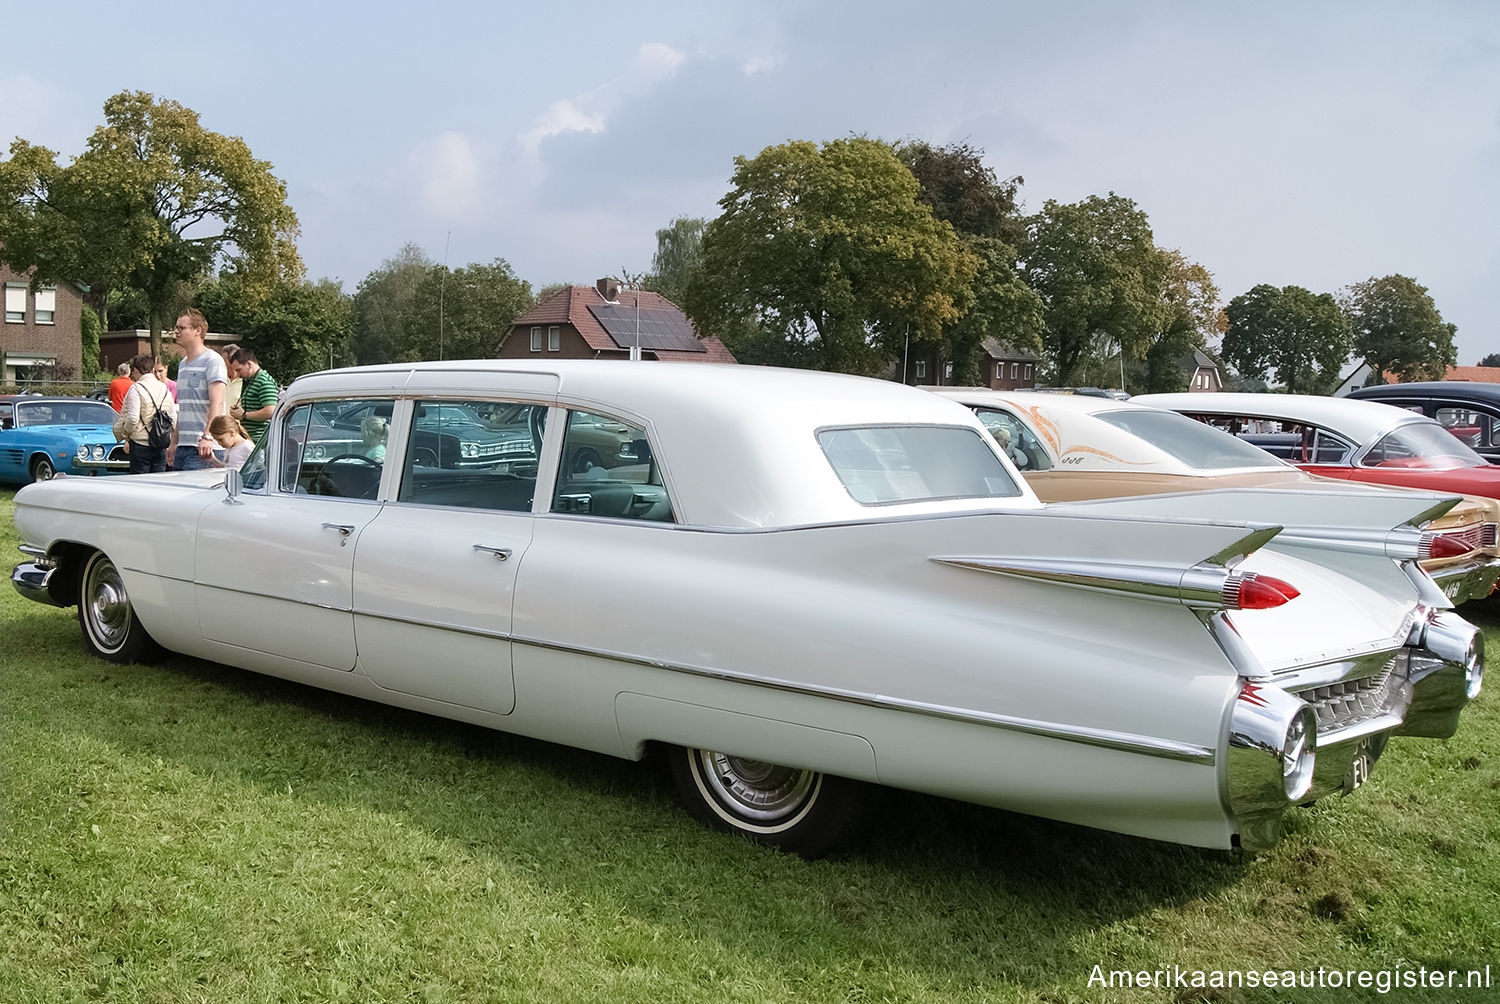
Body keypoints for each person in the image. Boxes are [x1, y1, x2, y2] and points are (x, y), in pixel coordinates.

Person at [168, 308, 227, 470]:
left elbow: (217, 402)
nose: (176, 331)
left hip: (205, 448)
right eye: (176, 327)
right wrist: (174, 442)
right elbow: (184, 408)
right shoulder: (183, 364)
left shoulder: (213, 360)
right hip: (183, 446)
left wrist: (207, 436)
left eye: (181, 328)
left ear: (197, 331)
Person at [112, 354, 177, 474]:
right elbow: (173, 417)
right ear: (152, 370)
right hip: (161, 443)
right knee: (158, 483)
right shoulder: (164, 388)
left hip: (140, 443)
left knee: (140, 484)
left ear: (136, 370)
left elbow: (132, 418)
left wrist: (126, 434)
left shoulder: (136, 388)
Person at [229, 348, 277, 444]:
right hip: (252, 439)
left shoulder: (264, 381)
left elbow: (270, 411)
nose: (238, 374)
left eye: (239, 370)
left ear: (249, 364)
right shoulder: (253, 381)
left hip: (259, 441)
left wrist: (244, 415)